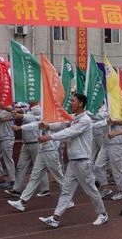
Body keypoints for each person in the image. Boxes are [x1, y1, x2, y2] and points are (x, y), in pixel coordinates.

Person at [38, 94, 108, 228]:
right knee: (66, 190)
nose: (71, 103)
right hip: (73, 162)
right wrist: (47, 126)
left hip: (82, 161)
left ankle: (103, 214)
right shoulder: (74, 118)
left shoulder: (85, 120)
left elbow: (70, 132)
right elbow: (62, 125)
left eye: (73, 101)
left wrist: (50, 137)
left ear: (80, 103)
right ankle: (56, 217)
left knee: (91, 190)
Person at [7, 120, 67, 212]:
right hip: (42, 150)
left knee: (59, 177)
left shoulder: (56, 119)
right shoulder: (44, 115)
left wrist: (47, 125)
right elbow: (34, 124)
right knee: (34, 177)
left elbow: (59, 126)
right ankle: (22, 202)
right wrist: (21, 127)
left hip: (51, 151)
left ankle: (68, 200)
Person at [5, 103, 50, 198]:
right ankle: (17, 189)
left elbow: (37, 120)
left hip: (35, 142)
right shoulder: (28, 108)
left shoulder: (39, 109)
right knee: (20, 166)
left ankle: (45, 188)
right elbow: (19, 110)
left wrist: (22, 116)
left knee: (39, 167)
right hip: (25, 143)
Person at [0, 108, 16, 189]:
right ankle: (1, 178)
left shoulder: (8, 110)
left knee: (8, 159)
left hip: (7, 138)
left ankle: (13, 180)